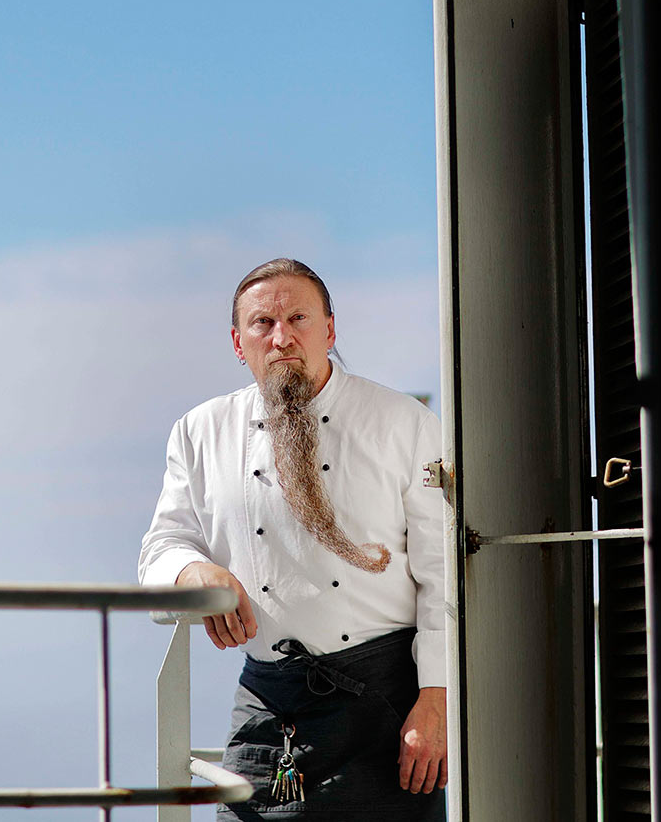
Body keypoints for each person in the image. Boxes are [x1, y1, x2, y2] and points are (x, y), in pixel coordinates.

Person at [139, 258, 447, 819]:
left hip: (384, 701)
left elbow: (442, 573)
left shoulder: (405, 423)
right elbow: (161, 547)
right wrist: (196, 572)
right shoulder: (199, 431)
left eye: (298, 318)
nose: (281, 337)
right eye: (262, 323)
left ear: (330, 329)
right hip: (267, 697)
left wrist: (438, 696)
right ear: (238, 342)